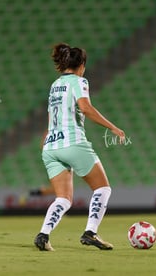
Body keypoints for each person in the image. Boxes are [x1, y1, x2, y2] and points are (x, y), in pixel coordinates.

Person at [34, 43, 125, 251]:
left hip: (51, 146)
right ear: (81, 65)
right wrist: (113, 127)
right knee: (103, 188)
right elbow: (85, 107)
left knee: (63, 199)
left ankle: (43, 235)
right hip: (72, 142)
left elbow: (50, 119)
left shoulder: (55, 85)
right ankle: (90, 232)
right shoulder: (79, 81)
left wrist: (46, 141)